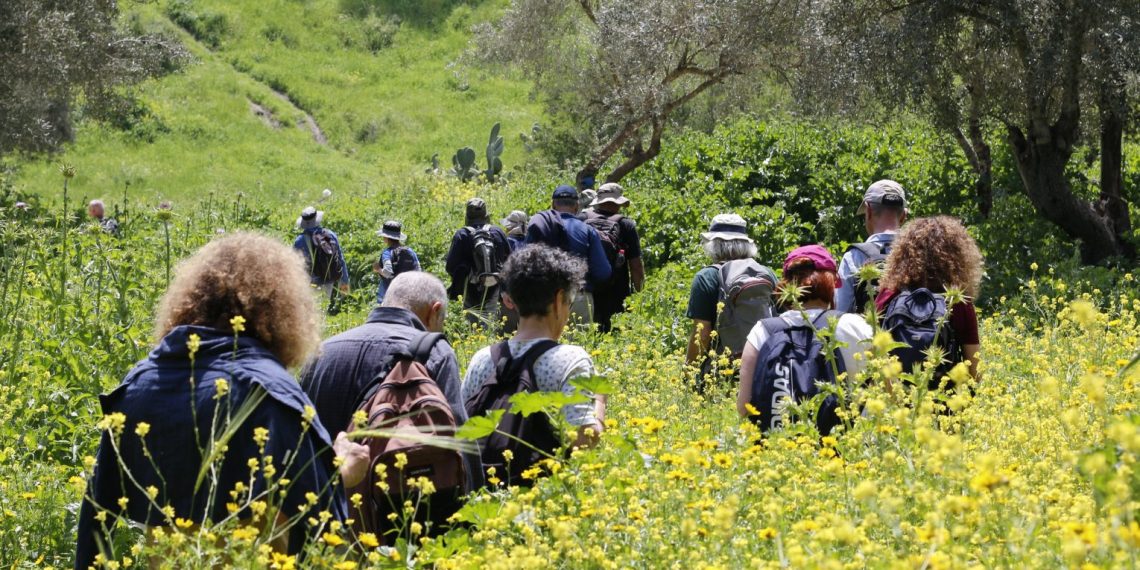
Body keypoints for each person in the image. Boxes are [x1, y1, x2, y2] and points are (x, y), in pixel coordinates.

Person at [76, 233, 365, 568]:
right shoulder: (271, 395)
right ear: (283, 312)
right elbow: (322, 519)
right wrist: (342, 470)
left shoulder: (139, 386)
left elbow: (96, 518)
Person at [300, 271, 478, 525]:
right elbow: (458, 438)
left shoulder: (322, 351)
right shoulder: (432, 351)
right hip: (394, 521)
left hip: (326, 519)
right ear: (434, 311)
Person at [462, 245, 606, 485]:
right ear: (559, 299)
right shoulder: (571, 358)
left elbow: (462, 428)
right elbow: (583, 439)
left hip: (485, 498)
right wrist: (600, 399)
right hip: (546, 499)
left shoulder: (482, 358)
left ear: (513, 301)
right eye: (569, 301)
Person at [737, 245, 873, 432]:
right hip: (846, 452)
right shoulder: (854, 326)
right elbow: (887, 394)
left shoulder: (763, 331)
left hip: (777, 452)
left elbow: (744, 407)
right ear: (831, 284)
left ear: (786, 285)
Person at [876, 215, 983, 383]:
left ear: (902, 254)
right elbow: (975, 371)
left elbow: (870, 351)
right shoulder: (958, 301)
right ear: (958, 255)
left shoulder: (890, 293)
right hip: (943, 404)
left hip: (892, 402)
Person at [684, 214, 778, 377]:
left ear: (714, 245)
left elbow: (703, 334)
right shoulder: (767, 273)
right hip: (766, 366)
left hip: (723, 371)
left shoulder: (707, 277)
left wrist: (688, 373)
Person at [525, 185, 611, 325]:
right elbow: (603, 272)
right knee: (578, 342)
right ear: (577, 206)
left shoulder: (541, 226)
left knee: (547, 344)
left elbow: (524, 263)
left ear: (553, 205)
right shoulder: (588, 230)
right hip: (579, 296)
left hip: (545, 297)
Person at [835, 180, 908, 313]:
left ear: (868, 211)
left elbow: (840, 312)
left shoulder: (854, 256)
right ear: (904, 215)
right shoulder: (921, 254)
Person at [584, 183, 645, 332]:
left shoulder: (581, 220)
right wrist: (640, 296)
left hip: (587, 290)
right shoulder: (626, 225)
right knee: (615, 335)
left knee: (587, 335)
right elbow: (636, 266)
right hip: (617, 292)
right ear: (618, 203)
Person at [445, 198, 511, 326]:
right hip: (494, 283)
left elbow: (451, 266)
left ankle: (472, 340)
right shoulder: (497, 232)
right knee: (490, 319)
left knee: (470, 321)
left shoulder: (462, 234)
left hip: (469, 286)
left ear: (467, 215)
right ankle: (487, 340)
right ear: (486, 215)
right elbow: (510, 260)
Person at [293, 207, 350, 312]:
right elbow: (341, 260)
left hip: (309, 283)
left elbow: (295, 266)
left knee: (309, 315)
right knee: (322, 312)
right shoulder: (330, 235)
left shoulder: (300, 241)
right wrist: (344, 284)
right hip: (328, 281)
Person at [373, 220, 421, 304]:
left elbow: (388, 272)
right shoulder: (410, 251)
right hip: (408, 296)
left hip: (390, 296)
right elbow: (419, 272)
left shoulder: (387, 253)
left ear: (386, 237)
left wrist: (378, 269)